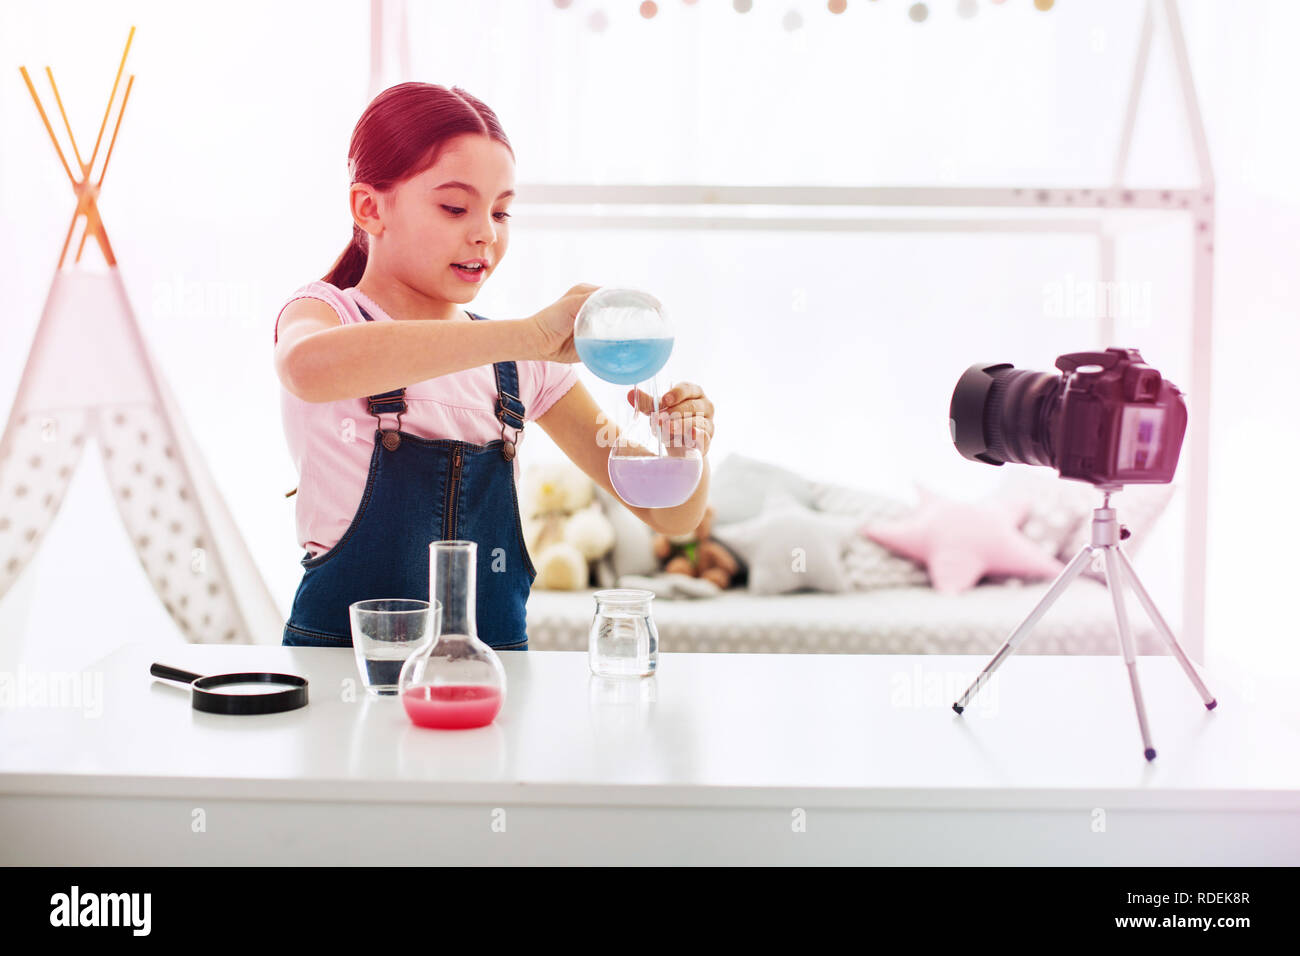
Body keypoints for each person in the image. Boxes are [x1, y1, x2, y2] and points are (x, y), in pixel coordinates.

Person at [273, 82, 716, 650]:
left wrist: (684, 447)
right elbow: (307, 370)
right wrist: (528, 335)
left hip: (489, 684)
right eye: (455, 207)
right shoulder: (329, 312)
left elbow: (671, 517)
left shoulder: (524, 366)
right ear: (369, 207)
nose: (485, 232)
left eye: (502, 211)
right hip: (349, 676)